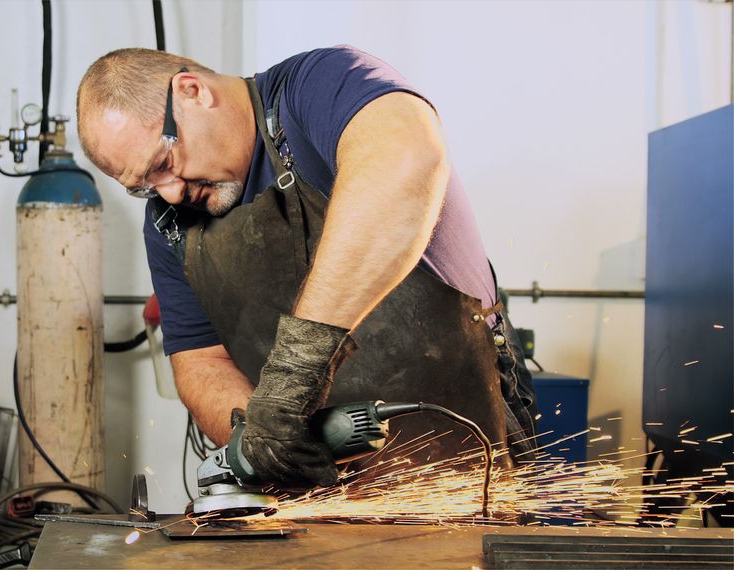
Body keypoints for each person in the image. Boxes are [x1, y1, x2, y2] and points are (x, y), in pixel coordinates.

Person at [76, 45, 536, 489]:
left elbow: (406, 159)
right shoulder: (169, 222)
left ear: (193, 92)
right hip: (319, 488)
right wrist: (261, 441)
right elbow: (200, 361)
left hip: (468, 455)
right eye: (145, 186)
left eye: (164, 162)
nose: (171, 192)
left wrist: (295, 375)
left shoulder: (319, 86)